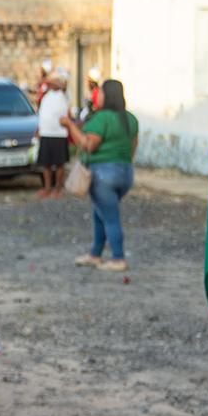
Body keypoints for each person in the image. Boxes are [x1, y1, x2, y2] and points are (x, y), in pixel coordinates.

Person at [62, 79, 138, 272]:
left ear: (107, 95)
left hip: (103, 174)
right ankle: (95, 254)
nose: (98, 96)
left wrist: (70, 126)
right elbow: (132, 148)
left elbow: (88, 145)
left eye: (101, 93)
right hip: (125, 172)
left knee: (110, 216)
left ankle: (118, 258)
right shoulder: (130, 119)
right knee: (100, 213)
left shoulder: (102, 118)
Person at [36, 70, 71, 198]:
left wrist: (51, 80)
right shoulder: (46, 95)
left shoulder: (64, 94)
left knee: (60, 163)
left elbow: (62, 85)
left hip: (59, 133)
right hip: (46, 132)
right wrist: (38, 130)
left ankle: (57, 188)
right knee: (45, 163)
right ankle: (47, 188)